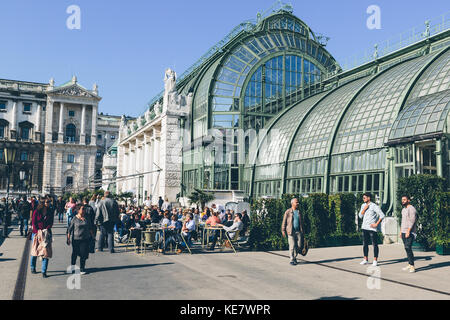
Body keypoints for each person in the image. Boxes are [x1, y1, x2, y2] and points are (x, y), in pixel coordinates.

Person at [67, 204, 96, 275]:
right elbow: (69, 229)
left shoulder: (87, 218)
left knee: (83, 254)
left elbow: (90, 228)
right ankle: (72, 266)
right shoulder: (74, 218)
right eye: (82, 209)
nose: (84, 210)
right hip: (76, 239)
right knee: (75, 253)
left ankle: (82, 268)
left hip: (85, 239)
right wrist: (68, 238)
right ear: (78, 210)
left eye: (84, 209)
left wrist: (93, 237)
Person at [358, 193, 385, 267]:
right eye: (363, 198)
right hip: (364, 227)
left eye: (364, 198)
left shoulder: (374, 206)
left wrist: (376, 224)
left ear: (369, 198)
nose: (363, 199)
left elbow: (382, 215)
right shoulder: (363, 205)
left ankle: (375, 260)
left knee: (374, 244)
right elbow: (360, 216)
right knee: (365, 244)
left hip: (372, 228)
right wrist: (364, 209)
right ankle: (365, 259)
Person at [30, 198, 54, 278]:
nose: (49, 203)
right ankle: (32, 267)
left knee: (45, 252)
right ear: (43, 203)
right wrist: (38, 231)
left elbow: (51, 222)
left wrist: (46, 229)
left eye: (50, 202)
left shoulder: (50, 211)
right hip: (36, 233)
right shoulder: (37, 211)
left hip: (46, 233)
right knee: (35, 251)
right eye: (48, 202)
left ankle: (44, 271)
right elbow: (34, 222)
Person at [282, 198, 305, 266]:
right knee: (292, 246)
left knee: (299, 245)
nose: (298, 203)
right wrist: (283, 230)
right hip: (291, 231)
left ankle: (294, 257)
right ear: (292, 203)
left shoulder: (299, 212)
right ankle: (292, 259)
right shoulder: (288, 211)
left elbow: (302, 222)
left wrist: (303, 231)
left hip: (299, 231)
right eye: (296, 202)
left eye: (298, 202)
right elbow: (284, 221)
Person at [400, 195, 417, 273]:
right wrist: (401, 231)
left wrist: (408, 231)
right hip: (403, 231)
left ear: (408, 200)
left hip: (410, 231)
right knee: (406, 248)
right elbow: (402, 221)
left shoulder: (411, 209)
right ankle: (409, 264)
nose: (403, 201)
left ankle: (412, 266)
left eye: (404, 199)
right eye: (402, 200)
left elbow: (412, 220)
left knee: (408, 247)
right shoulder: (403, 210)